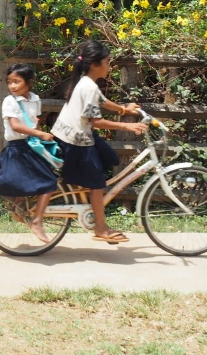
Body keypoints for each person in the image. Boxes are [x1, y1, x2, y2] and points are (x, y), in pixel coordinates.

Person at [51, 39, 147, 243]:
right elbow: (96, 121)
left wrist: (123, 109)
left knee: (108, 156)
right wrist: (126, 125)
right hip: (75, 140)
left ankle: (82, 188)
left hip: (75, 134)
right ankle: (101, 228)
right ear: (95, 65)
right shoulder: (88, 87)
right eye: (107, 62)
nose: (109, 66)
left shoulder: (86, 82)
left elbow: (101, 101)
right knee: (97, 183)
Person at [0, 63, 59, 243]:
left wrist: (40, 137)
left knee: (45, 178)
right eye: (9, 82)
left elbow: (35, 122)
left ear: (29, 82)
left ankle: (20, 208)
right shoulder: (9, 101)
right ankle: (37, 221)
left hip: (31, 146)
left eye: (17, 82)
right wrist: (40, 134)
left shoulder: (35, 99)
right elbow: (16, 126)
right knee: (48, 181)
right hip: (16, 148)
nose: (12, 86)